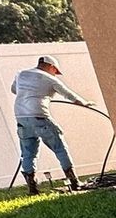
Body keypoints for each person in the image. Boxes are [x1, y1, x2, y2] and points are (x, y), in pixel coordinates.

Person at [10, 56, 91, 193]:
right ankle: (75, 182)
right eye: (55, 71)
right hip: (39, 116)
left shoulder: (21, 74)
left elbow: (14, 90)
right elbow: (68, 94)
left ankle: (32, 188)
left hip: (21, 117)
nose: (55, 73)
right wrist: (84, 103)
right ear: (51, 67)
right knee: (59, 147)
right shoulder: (50, 79)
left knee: (28, 153)